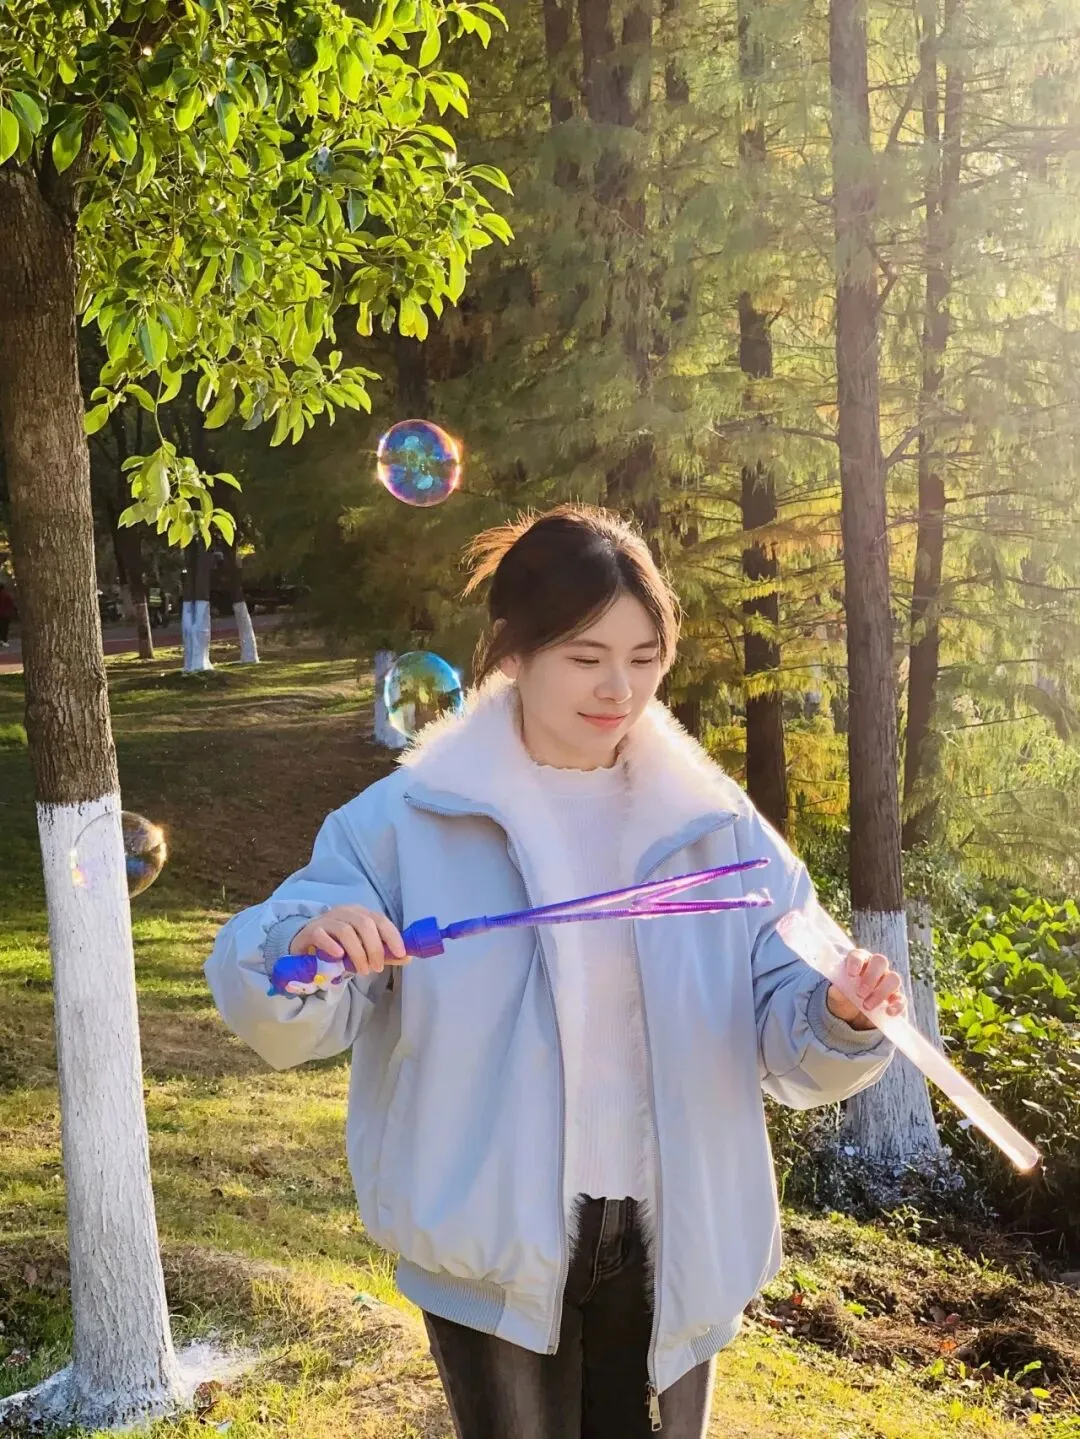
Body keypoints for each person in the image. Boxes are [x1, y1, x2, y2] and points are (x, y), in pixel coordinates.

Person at [205, 505, 904, 1439]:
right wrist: (311, 943)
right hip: (492, 1244)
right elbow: (278, 992)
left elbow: (785, 1021)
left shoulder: (718, 827)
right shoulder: (408, 819)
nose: (621, 687)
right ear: (513, 651)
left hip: (675, 1241)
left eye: (645, 656)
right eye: (586, 656)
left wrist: (841, 1013)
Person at [0, 580, 16, 649]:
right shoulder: (6, 594)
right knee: (4, 628)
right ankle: (3, 640)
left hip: (3, 614)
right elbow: (10, 604)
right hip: (5, 614)